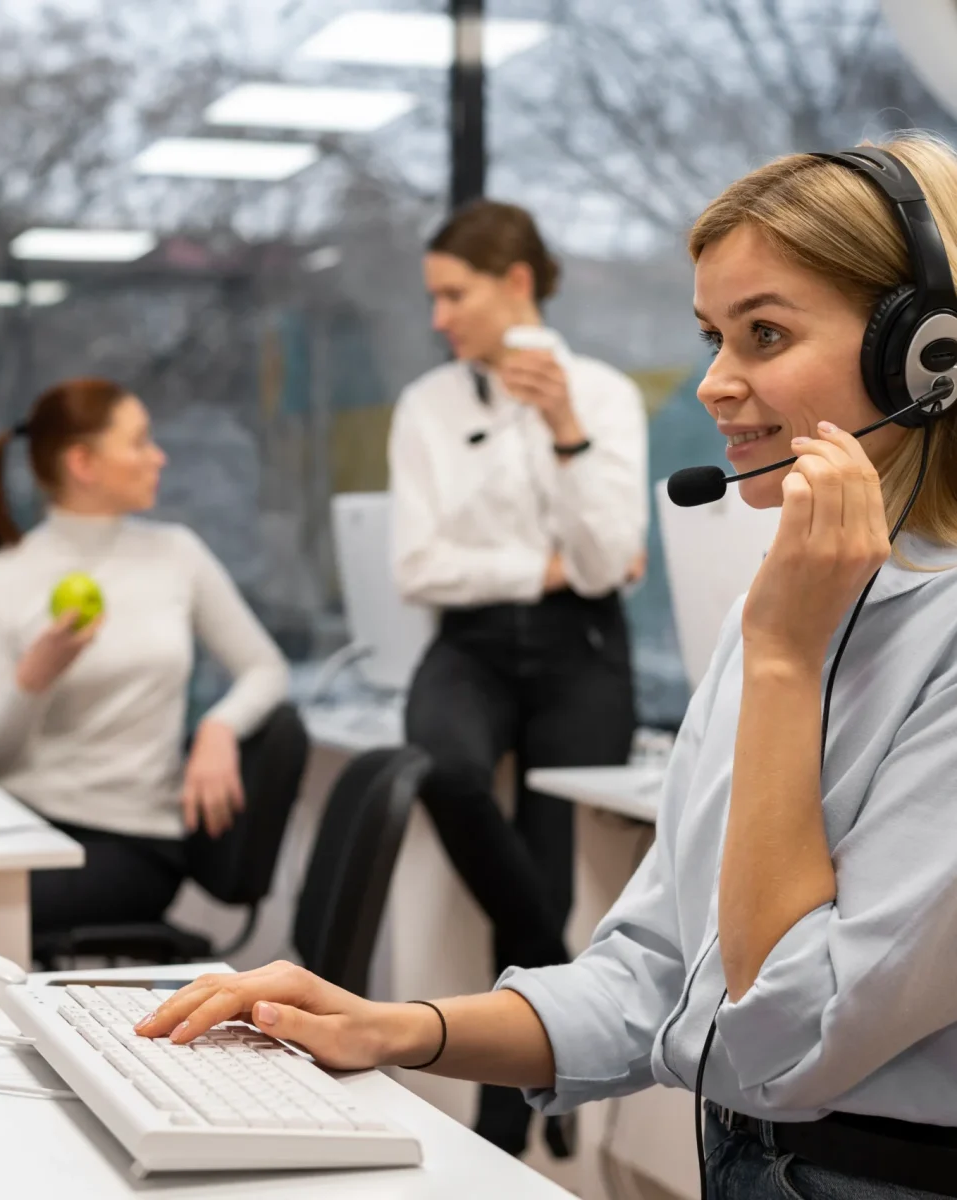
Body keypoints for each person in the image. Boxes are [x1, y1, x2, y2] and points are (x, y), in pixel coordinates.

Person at [137, 134, 957, 1198]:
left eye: (762, 333)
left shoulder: (805, 638)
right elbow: (651, 977)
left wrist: (785, 667)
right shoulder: (793, 613)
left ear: (926, 352)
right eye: (710, 335)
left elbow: (779, 1048)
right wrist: (391, 1026)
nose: (713, 384)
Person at [389, 200, 648, 1155]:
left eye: (452, 294)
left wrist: (564, 427)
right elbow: (418, 568)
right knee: (443, 766)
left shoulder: (605, 395)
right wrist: (532, 568)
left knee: (545, 856)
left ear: (517, 285)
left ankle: (503, 1123)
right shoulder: (428, 406)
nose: (439, 317)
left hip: (581, 650)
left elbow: (608, 556)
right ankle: (554, 988)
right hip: (470, 646)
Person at [0, 377, 298, 939]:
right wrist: (33, 680)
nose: (158, 457)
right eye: (139, 442)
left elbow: (267, 669)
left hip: (132, 844)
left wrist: (218, 726)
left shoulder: (177, 554)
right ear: (83, 464)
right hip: (23, 831)